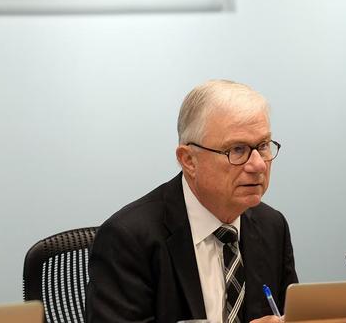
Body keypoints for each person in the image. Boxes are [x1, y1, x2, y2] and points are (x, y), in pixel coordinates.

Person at [86, 80, 298, 323]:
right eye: (237, 150)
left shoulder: (272, 226)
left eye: (262, 146)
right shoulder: (128, 239)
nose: (258, 165)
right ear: (188, 160)